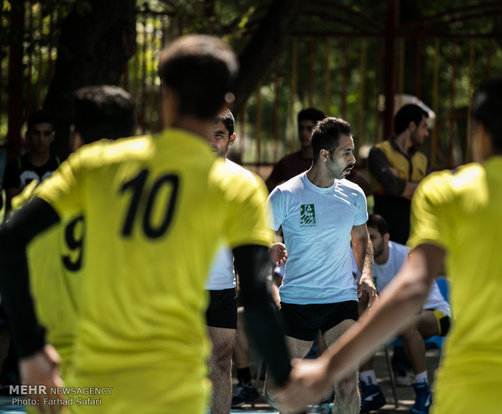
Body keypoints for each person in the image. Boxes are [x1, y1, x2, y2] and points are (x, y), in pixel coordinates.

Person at [275, 74, 502, 414]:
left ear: (479, 133)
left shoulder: (447, 193)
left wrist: (328, 368)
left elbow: (411, 290)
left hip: (469, 393)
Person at [0, 35, 290, 414]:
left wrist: (32, 351)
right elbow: (255, 295)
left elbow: (11, 236)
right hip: (174, 392)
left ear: (165, 94)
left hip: (92, 386)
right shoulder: (237, 185)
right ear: (226, 99)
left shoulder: (99, 163)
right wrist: (287, 377)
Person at [11, 85, 135, 414]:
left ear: (75, 137)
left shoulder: (30, 204)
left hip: (49, 365)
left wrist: (28, 347)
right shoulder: (147, 208)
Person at [265, 117, 377, 413]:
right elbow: (257, 240)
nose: (353, 159)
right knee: (276, 390)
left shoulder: (353, 194)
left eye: (353, 151)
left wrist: (366, 276)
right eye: (346, 152)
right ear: (324, 155)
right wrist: (269, 247)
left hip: (340, 300)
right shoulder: (285, 194)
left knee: (345, 383)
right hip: (296, 301)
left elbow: (362, 240)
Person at [203, 108, 287, 414]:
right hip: (179, 288)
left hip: (222, 286)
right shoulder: (177, 177)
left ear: (232, 139)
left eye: (219, 135)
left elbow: (253, 235)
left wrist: (268, 246)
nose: (211, 141)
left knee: (222, 362)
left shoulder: (245, 182)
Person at [358, 214, 450, 414]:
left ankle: (423, 391)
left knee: (407, 323)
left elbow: (416, 302)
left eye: (372, 238)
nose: (368, 245)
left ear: (386, 237)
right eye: (364, 239)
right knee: (359, 323)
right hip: (394, 319)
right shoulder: (359, 259)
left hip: (434, 313)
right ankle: (371, 388)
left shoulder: (407, 256)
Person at [368, 104, 430, 244]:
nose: (426, 133)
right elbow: (394, 187)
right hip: (385, 240)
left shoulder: (423, 159)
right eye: (424, 127)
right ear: (412, 126)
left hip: (415, 235)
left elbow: (430, 191)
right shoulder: (379, 152)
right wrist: (420, 186)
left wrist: (401, 184)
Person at [2, 110, 60, 219]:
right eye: (36, 133)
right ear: (27, 136)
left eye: (46, 134)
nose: (41, 139)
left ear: (52, 136)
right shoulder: (15, 167)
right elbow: (12, 208)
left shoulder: (60, 165)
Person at [265, 107, 325, 192]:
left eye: (309, 129)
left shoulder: (330, 162)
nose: (304, 133)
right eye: (301, 128)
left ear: (319, 132)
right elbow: (265, 189)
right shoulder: (287, 162)